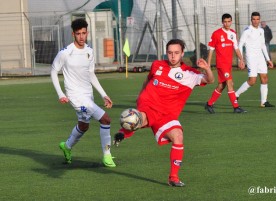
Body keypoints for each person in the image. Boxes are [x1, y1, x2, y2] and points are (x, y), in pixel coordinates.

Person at [114, 39, 214, 187]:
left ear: (182, 53)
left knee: (178, 136)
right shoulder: (157, 65)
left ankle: (173, 177)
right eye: (169, 53)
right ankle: (125, 131)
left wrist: (207, 68)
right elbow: (147, 81)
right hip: (148, 103)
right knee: (142, 117)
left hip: (167, 115)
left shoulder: (189, 74)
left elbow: (210, 80)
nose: (172, 56)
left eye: (176, 53)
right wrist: (140, 95)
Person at [51, 18, 116, 167]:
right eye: (78, 34)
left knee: (83, 126)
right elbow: (54, 71)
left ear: (87, 33)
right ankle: (107, 155)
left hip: (88, 94)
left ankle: (66, 146)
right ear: (73, 34)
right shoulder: (66, 52)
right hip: (75, 96)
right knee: (105, 119)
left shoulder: (89, 51)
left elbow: (91, 74)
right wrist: (61, 94)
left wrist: (103, 94)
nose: (81, 37)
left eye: (84, 33)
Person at [204, 13, 246, 114]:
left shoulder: (233, 33)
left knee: (221, 85)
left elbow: (236, 48)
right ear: (222, 22)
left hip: (228, 64)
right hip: (221, 64)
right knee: (229, 83)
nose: (227, 24)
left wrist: (241, 59)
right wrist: (208, 64)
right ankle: (236, 107)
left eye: (229, 21)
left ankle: (209, 104)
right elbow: (211, 49)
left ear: (231, 22)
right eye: (225, 22)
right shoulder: (216, 34)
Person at [235, 12, 275, 107]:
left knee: (264, 78)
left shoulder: (261, 30)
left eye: (257, 19)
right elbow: (240, 44)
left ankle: (263, 102)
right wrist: (241, 59)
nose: (256, 21)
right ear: (251, 20)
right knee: (252, 81)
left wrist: (268, 59)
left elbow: (263, 45)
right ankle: (235, 95)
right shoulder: (247, 31)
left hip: (260, 57)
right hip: (251, 58)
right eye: (254, 19)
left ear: (259, 20)